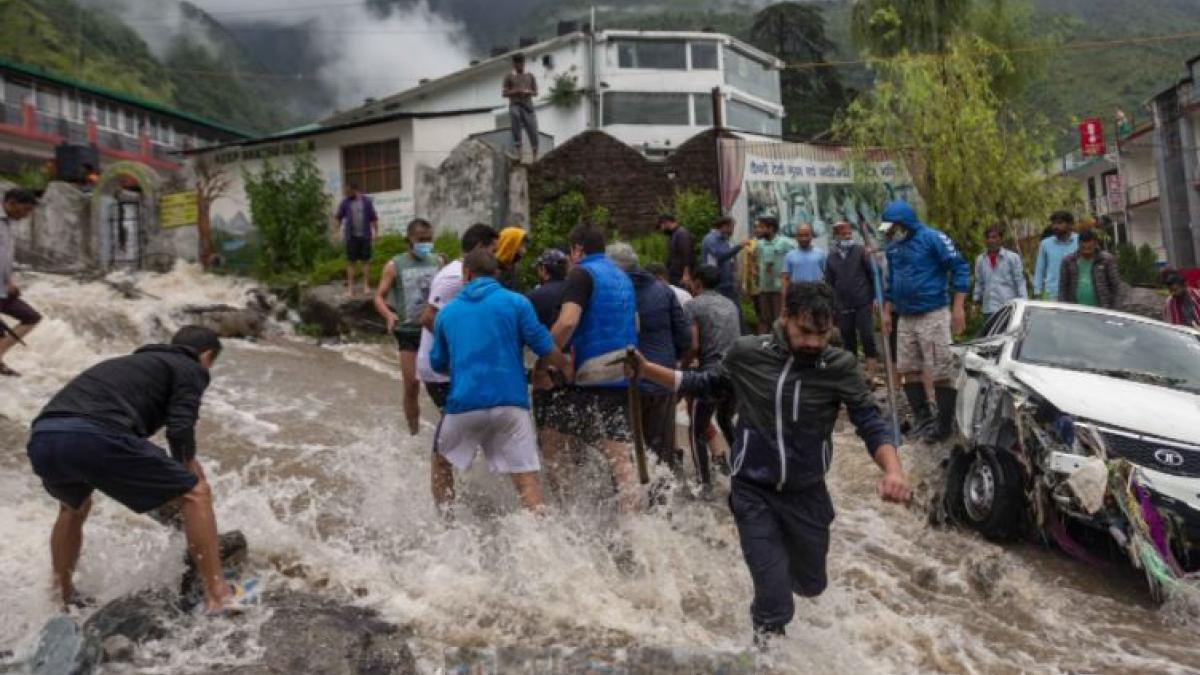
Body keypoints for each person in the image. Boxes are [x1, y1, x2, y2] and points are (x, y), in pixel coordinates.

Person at [628, 282, 911, 644]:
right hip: (753, 491)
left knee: (811, 585)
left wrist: (893, 471)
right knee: (776, 604)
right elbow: (706, 383)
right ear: (785, 316)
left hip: (807, 494)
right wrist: (647, 369)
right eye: (804, 331)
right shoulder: (748, 353)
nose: (813, 342)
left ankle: (775, 578)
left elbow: (870, 422)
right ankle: (767, 655)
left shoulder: (839, 366)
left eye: (821, 334)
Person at [26, 326, 233, 612]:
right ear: (207, 356)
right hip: (95, 435)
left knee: (73, 508)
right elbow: (180, 427)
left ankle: (62, 596)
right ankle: (218, 595)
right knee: (196, 492)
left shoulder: (128, 363)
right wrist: (189, 466)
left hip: (44, 436)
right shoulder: (190, 367)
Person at [430, 250, 570, 513]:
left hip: (464, 405)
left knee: (441, 462)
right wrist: (565, 366)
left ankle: (446, 525)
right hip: (511, 405)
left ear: (466, 274)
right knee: (526, 479)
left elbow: (437, 363)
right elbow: (545, 346)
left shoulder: (446, 314)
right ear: (495, 274)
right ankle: (540, 531)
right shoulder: (517, 303)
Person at [549, 223, 641, 511]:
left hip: (592, 371)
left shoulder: (581, 274)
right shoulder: (622, 276)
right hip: (625, 369)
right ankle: (635, 520)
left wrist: (546, 354)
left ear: (577, 249)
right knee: (619, 454)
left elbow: (567, 322)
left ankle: (567, 513)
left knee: (552, 439)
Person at [417, 224, 499, 506]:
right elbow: (428, 318)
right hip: (443, 372)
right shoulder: (454, 277)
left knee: (469, 433)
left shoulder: (469, 276)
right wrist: (460, 353)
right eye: (492, 249)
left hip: (455, 369)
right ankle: (447, 516)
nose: (495, 256)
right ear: (479, 247)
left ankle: (467, 497)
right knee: (451, 443)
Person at [879, 201, 970, 443]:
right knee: (908, 368)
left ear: (904, 223)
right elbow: (890, 282)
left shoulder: (933, 238)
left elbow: (960, 268)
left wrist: (958, 307)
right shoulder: (893, 249)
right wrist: (887, 311)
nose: (890, 233)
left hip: (933, 313)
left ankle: (943, 425)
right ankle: (924, 419)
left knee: (941, 369)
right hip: (905, 316)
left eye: (893, 228)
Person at [608, 243, 693, 471]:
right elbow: (685, 337)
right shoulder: (663, 290)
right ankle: (666, 492)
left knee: (627, 454)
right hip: (661, 379)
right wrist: (670, 361)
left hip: (625, 382)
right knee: (661, 452)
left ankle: (636, 493)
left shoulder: (611, 294)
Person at [374, 218, 442, 435]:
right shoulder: (394, 265)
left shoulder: (438, 261)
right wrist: (388, 314)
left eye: (429, 239)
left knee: (442, 382)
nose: (425, 244)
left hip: (434, 329)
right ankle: (414, 432)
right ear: (409, 240)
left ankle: (448, 427)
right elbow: (379, 296)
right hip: (408, 332)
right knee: (411, 385)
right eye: (421, 240)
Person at [684, 264, 741, 486]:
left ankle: (704, 484)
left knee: (696, 429)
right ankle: (743, 471)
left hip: (711, 374)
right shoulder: (731, 304)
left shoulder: (692, 305)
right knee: (725, 420)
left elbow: (694, 346)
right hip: (736, 372)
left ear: (697, 282)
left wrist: (682, 368)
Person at [824, 220, 879, 382]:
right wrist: (832, 305)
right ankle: (854, 374)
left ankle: (871, 375)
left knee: (867, 336)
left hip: (863, 301)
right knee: (848, 339)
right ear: (836, 236)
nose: (847, 236)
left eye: (849, 233)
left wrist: (875, 297)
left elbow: (872, 275)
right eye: (843, 234)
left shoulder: (861, 252)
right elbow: (829, 283)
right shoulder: (831, 257)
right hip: (842, 304)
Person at [0, 188, 41, 377]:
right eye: (25, 210)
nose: (26, 215)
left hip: (3, 289)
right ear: (12, 203)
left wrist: (9, 282)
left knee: (31, 317)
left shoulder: (7, 223)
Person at [972, 224, 1027, 328]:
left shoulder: (1012, 258)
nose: (990, 240)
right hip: (988, 309)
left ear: (1001, 239)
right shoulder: (980, 260)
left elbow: (1020, 282)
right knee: (990, 335)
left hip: (1008, 308)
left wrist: (1024, 303)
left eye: (994, 237)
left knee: (1007, 335)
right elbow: (979, 283)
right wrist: (975, 302)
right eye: (988, 238)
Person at [333, 182, 379, 297]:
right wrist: (336, 232)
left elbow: (373, 218)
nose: (346, 194)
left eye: (348, 191)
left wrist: (376, 232)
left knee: (366, 261)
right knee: (350, 262)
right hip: (351, 237)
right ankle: (350, 288)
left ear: (355, 190)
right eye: (345, 192)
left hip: (365, 236)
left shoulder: (366, 202)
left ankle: (366, 286)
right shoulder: (345, 202)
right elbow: (338, 218)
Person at [751, 217, 794, 334]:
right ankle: (763, 341)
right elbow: (756, 261)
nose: (758, 230)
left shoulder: (785, 243)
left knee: (779, 319)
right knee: (764, 319)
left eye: (762, 227)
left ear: (771, 228)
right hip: (764, 288)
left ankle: (780, 341)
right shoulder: (759, 244)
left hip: (779, 289)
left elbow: (795, 258)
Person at [1058, 229, 1122, 309]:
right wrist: (1064, 309)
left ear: (1095, 244)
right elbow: (1062, 289)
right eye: (1083, 247)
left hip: (1102, 310)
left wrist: (1114, 309)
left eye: (1089, 247)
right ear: (1079, 244)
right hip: (1075, 310)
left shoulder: (1106, 260)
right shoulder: (1068, 261)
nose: (1086, 251)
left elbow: (1117, 287)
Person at [701, 216, 746, 307]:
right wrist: (739, 247)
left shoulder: (725, 239)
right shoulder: (711, 239)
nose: (733, 231)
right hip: (718, 282)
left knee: (734, 308)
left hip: (728, 282)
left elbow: (731, 259)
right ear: (725, 226)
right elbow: (721, 256)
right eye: (732, 227)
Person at [1033, 211, 1078, 300]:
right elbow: (1040, 270)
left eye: (1059, 223)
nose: (1055, 227)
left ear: (1070, 225)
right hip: (1052, 293)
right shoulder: (1045, 244)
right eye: (1053, 224)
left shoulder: (1079, 241)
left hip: (1076, 292)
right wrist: (1037, 292)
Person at [502, 53, 539, 160]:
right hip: (515, 104)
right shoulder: (509, 76)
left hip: (528, 106)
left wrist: (527, 92)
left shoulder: (530, 76)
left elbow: (535, 92)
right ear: (513, 64)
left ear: (523, 63)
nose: (519, 65)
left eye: (521, 63)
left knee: (533, 129)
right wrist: (516, 91)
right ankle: (520, 154)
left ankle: (535, 156)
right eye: (517, 63)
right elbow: (504, 93)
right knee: (515, 121)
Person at [781, 223, 826, 298]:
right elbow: (785, 279)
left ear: (811, 236)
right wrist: (784, 301)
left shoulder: (821, 254)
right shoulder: (789, 256)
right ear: (796, 237)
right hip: (796, 295)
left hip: (817, 295)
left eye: (806, 235)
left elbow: (827, 276)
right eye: (800, 235)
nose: (804, 238)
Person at [659, 214, 694, 287]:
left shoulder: (682, 233)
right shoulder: (673, 234)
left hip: (680, 275)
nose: (661, 228)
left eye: (661, 225)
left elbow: (687, 254)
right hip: (675, 274)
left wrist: (686, 274)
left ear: (667, 222)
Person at [495, 226, 528, 291]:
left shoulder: (513, 267)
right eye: (521, 246)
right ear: (509, 244)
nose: (524, 251)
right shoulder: (492, 268)